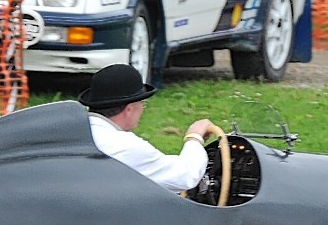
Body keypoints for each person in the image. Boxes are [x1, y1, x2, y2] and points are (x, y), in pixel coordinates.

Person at [80, 62, 223, 192]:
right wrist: (194, 138)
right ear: (129, 109)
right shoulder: (125, 146)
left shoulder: (73, 132)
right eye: (142, 104)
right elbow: (184, 176)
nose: (143, 109)